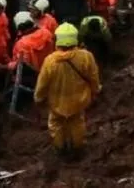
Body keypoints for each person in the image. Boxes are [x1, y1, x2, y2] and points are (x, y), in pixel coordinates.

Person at [34, 23, 101, 159]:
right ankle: (78, 148)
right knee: (77, 122)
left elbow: (42, 83)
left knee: (55, 124)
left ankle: (60, 148)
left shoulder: (50, 61)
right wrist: (95, 90)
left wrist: (38, 98)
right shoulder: (86, 56)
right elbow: (93, 77)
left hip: (57, 102)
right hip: (79, 100)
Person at [8, 11, 56, 95]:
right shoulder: (46, 33)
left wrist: (8, 66)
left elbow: (21, 66)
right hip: (49, 72)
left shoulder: (21, 44)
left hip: (32, 79)